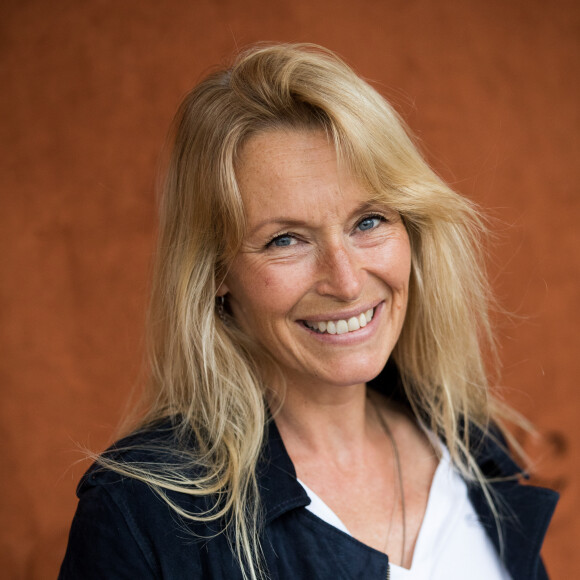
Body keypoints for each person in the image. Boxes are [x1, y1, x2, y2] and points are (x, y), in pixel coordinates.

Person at [59, 43, 557, 580]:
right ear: (217, 273)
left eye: (368, 221)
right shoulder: (143, 512)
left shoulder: (470, 447)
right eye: (285, 239)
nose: (345, 282)